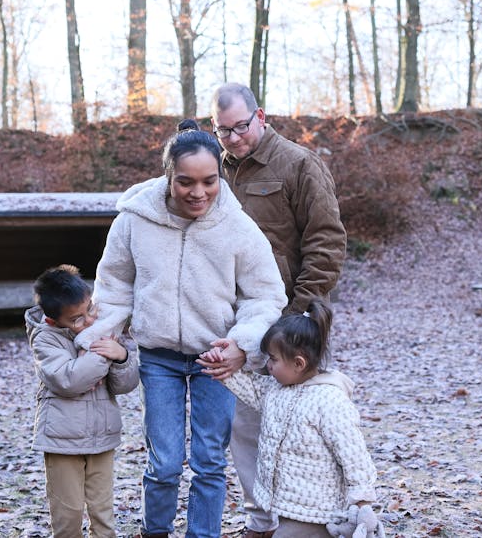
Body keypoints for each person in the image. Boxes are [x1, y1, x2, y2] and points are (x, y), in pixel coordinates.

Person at [72, 120, 287, 538]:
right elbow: (114, 286)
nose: (198, 192)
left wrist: (242, 345)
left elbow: (265, 297)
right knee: (165, 461)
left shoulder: (238, 226)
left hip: (217, 362)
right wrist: (98, 335)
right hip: (159, 359)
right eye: (186, 182)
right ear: (169, 176)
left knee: (209, 459)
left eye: (209, 181)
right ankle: (155, 532)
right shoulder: (134, 221)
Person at [209, 82, 348, 538]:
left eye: (241, 127)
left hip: (286, 322)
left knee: (300, 427)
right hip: (233, 320)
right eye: (222, 130)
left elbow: (326, 241)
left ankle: (314, 517)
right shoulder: (213, 170)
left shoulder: (298, 164)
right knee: (245, 426)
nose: (233, 138)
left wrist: (300, 316)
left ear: (261, 116)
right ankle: (263, 520)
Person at [199, 300, 383, 538]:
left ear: (298, 363)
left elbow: (353, 454)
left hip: (318, 511)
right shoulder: (276, 390)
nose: (268, 365)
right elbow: (250, 387)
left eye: (273, 359)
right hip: (287, 505)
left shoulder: (330, 401)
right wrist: (220, 364)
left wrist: (361, 502)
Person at [25, 264, 140, 538]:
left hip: (102, 436)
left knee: (103, 510)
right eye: (77, 319)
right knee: (69, 513)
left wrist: (121, 356)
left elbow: (125, 384)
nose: (88, 321)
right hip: (62, 440)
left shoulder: (100, 331)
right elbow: (69, 380)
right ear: (54, 320)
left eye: (90, 310)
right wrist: (103, 353)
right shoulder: (45, 339)